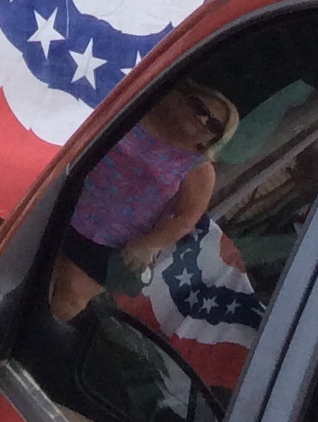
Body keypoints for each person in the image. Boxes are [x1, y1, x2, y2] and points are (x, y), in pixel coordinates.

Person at [50, 80, 240, 322]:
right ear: (183, 100)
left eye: (213, 124)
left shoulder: (198, 168)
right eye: (199, 108)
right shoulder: (134, 114)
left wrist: (148, 245)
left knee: (70, 297)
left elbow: (185, 219)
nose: (202, 120)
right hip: (62, 204)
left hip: (112, 241)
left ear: (216, 137)